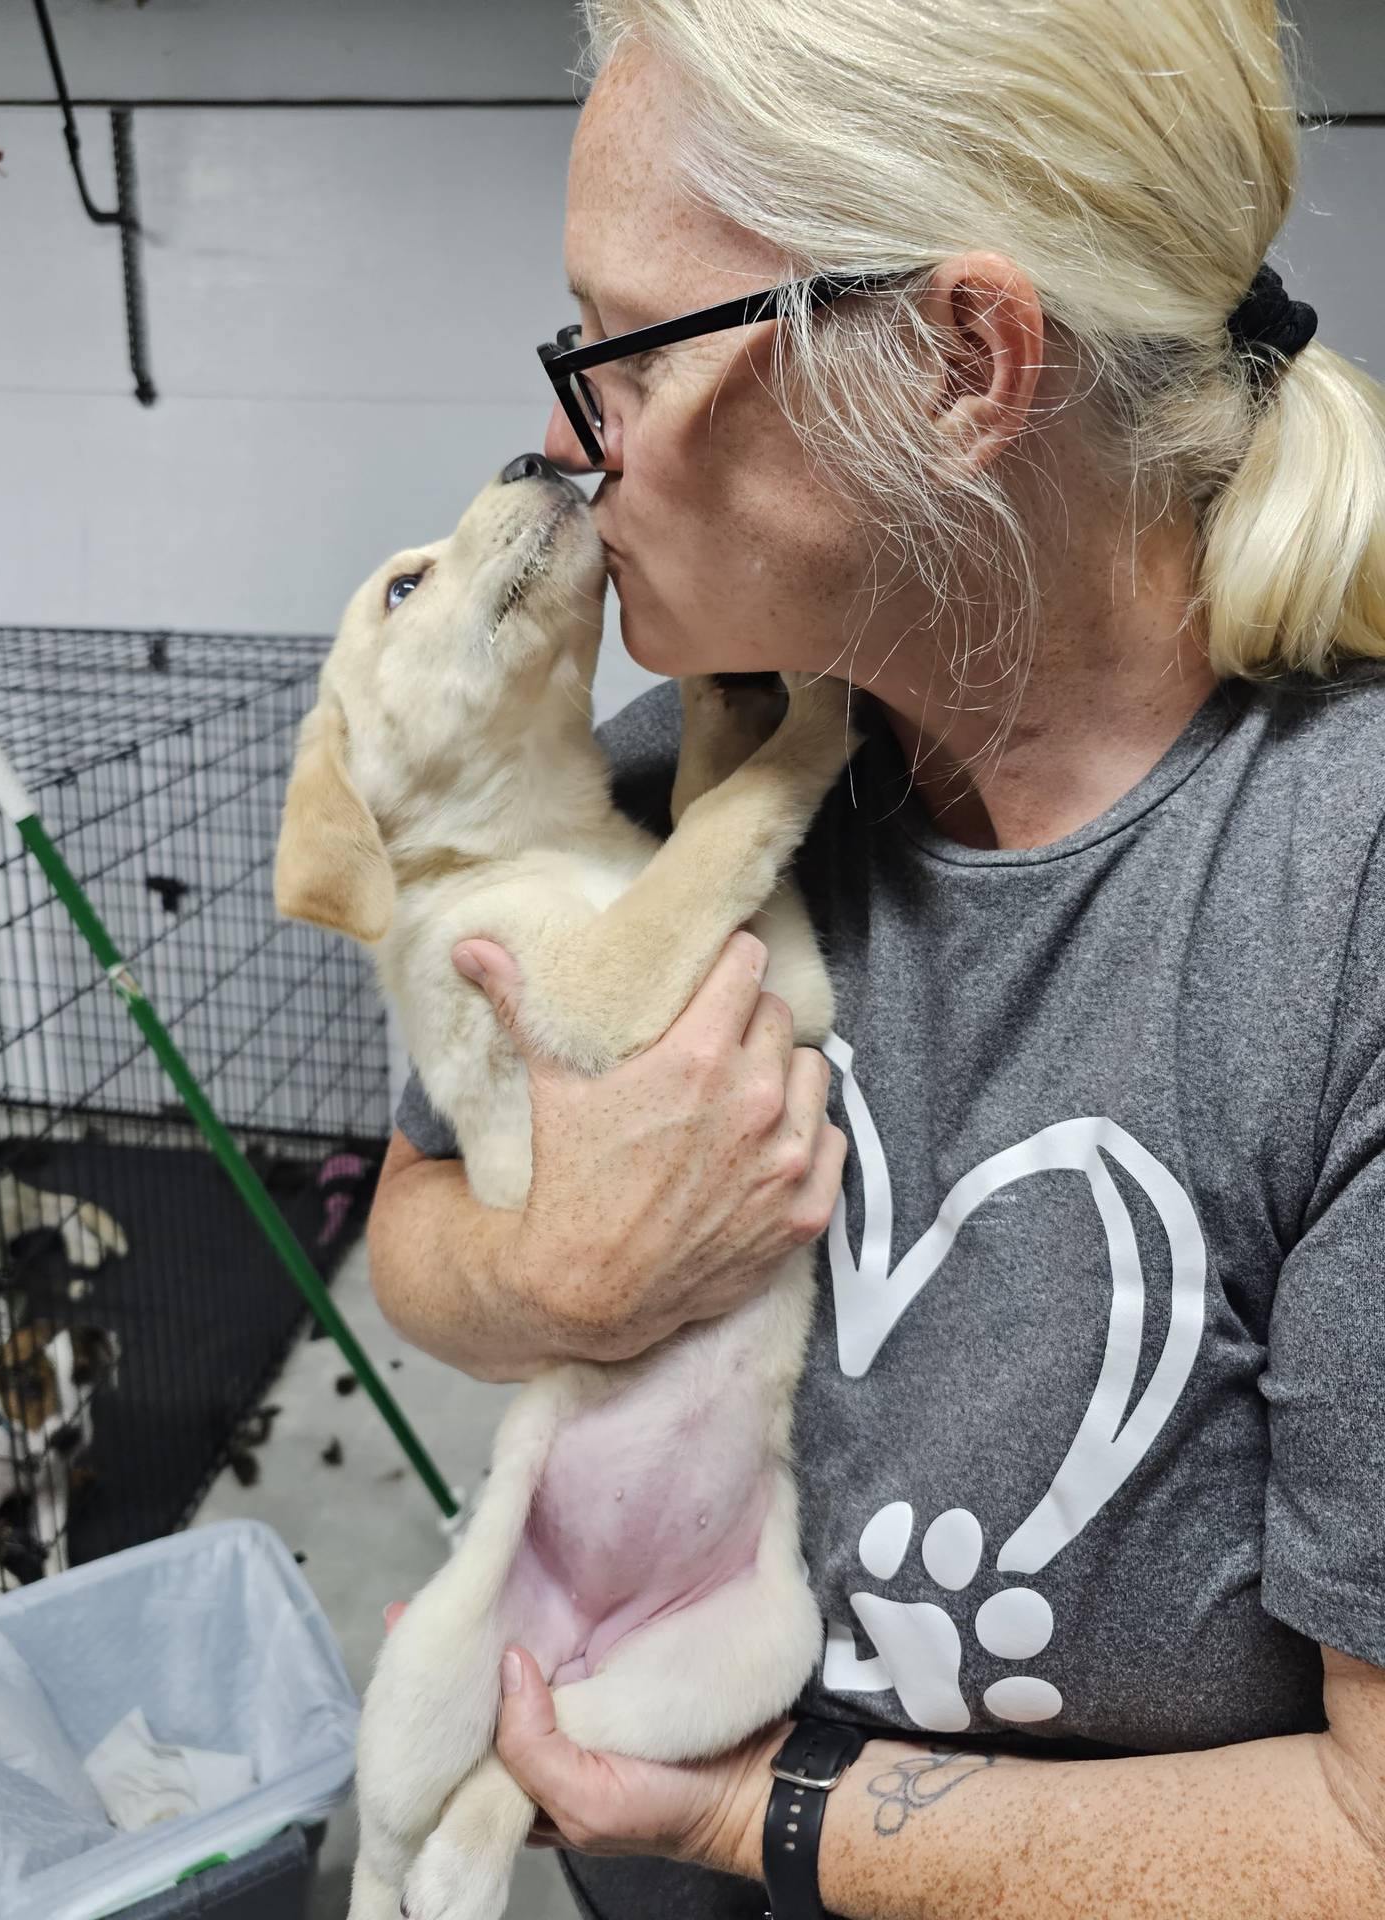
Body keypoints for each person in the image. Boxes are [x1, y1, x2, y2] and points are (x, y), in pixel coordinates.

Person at [369, 2, 1385, 1914]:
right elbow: (415, 1206)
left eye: (629, 351)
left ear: (960, 362)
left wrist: (747, 1812)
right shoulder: (681, 780)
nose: (569, 439)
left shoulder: (1338, 905)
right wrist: (546, 1273)